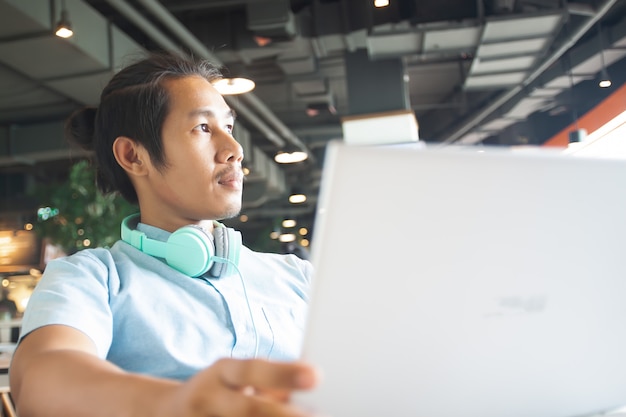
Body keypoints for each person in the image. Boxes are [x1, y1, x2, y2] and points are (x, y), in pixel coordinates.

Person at [9, 52, 318, 417]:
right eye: (203, 128)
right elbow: (42, 380)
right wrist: (175, 402)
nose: (234, 150)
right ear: (133, 156)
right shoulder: (93, 278)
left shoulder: (297, 277)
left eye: (229, 128)